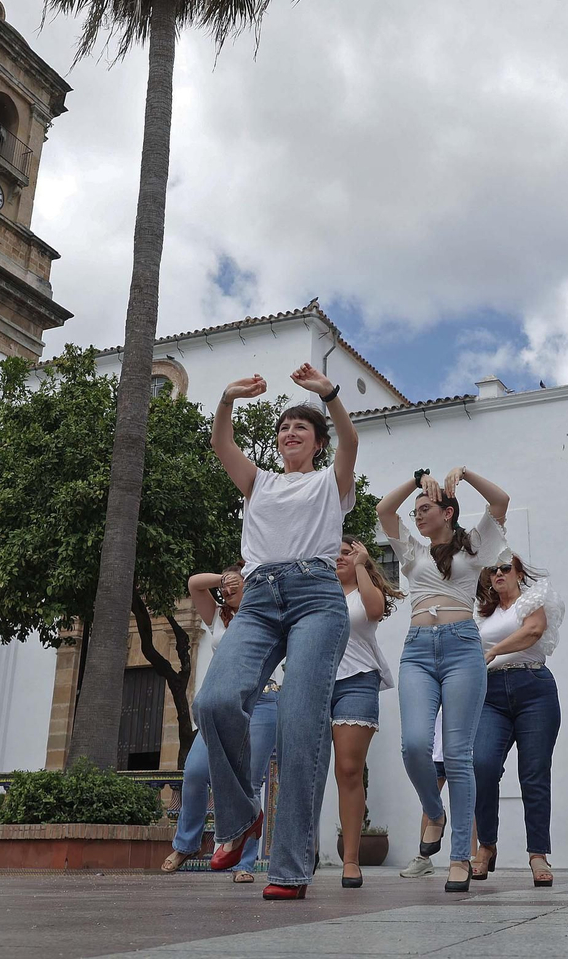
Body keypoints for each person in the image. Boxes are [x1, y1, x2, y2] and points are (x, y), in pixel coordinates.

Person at [194, 364, 358, 900]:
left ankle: (289, 869)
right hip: (261, 597)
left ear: (315, 444)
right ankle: (242, 817)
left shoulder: (330, 482)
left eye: (301, 429)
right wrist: (225, 398)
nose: (289, 433)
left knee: (299, 724)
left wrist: (327, 395)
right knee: (216, 699)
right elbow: (221, 446)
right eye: (284, 427)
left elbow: (350, 439)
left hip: (316, 596)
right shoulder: (258, 481)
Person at [378, 465, 511, 893]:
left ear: (448, 513)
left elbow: (501, 502)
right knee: (414, 744)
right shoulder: (413, 552)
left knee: (458, 755)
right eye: (416, 509)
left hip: (461, 648)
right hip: (417, 650)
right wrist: (417, 482)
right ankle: (434, 813)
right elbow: (383, 509)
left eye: (426, 508)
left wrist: (467, 474)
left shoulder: (474, 547)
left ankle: (458, 857)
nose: (417, 514)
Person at [164, 565, 278, 883]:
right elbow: (193, 584)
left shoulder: (267, 618)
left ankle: (245, 863)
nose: (228, 590)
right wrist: (221, 579)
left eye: (235, 584)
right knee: (196, 772)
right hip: (221, 705)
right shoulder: (218, 617)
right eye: (225, 586)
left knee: (249, 783)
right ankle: (187, 845)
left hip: (263, 702)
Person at [471, 554, 564, 886]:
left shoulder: (531, 600)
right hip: (491, 694)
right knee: (482, 765)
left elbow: (533, 631)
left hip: (532, 687)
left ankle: (538, 854)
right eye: (492, 569)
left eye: (505, 568)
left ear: (519, 572)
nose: (498, 573)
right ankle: (486, 847)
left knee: (534, 773)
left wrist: (494, 651)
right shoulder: (482, 615)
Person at [330, 536, 401, 888]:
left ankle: (351, 860)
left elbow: (374, 611)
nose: (341, 557)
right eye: (337, 553)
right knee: (306, 772)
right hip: (315, 682)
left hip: (357, 681)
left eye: (348, 552)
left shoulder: (363, 590)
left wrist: (360, 565)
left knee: (348, 769)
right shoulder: (318, 590)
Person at [398, 714, 447, 878]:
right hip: (435, 750)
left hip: (462, 748)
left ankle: (470, 857)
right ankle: (423, 858)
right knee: (430, 804)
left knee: (468, 804)